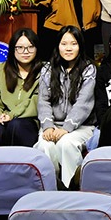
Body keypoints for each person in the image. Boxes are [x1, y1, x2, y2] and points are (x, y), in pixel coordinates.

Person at [35, 26, 96, 188]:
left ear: (80, 46)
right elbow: (43, 101)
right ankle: (49, 188)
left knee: (66, 143)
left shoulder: (88, 69)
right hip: (53, 125)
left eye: (73, 44)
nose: (68, 48)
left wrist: (66, 128)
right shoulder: (47, 69)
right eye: (64, 44)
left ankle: (72, 188)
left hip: (81, 126)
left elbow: (83, 103)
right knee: (45, 145)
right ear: (58, 46)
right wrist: (48, 126)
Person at [0, 28, 41, 146]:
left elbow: (36, 101)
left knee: (16, 125)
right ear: (13, 49)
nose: (25, 51)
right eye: (20, 47)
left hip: (28, 119)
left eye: (30, 47)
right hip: (2, 117)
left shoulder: (44, 71)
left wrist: (11, 115)